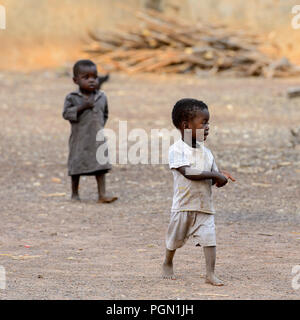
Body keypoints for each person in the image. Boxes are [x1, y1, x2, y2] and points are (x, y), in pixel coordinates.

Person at [162, 98, 235, 285]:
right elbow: (188, 172)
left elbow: (211, 179)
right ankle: (168, 261)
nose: (208, 126)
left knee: (210, 239)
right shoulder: (176, 150)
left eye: (208, 122)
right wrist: (215, 175)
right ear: (186, 126)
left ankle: (210, 273)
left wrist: (220, 179)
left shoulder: (207, 153)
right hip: (183, 206)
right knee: (174, 240)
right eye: (203, 122)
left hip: (204, 206)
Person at [62, 59, 117, 203]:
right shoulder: (72, 98)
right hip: (79, 138)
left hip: (98, 138)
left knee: (101, 166)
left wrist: (99, 127)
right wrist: (83, 107)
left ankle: (102, 194)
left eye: (94, 77)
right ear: (75, 80)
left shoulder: (102, 96)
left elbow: (105, 114)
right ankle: (74, 193)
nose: (91, 81)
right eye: (86, 78)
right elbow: (66, 114)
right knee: (76, 165)